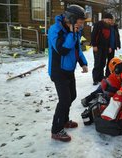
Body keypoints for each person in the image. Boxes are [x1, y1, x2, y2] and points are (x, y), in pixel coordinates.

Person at [48, 4, 88, 142]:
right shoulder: (55, 30)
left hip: (69, 69)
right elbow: (62, 49)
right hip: (58, 71)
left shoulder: (75, 30)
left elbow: (77, 49)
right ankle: (56, 130)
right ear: (71, 19)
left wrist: (83, 63)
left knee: (72, 96)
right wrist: (71, 33)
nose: (82, 25)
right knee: (64, 100)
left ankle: (64, 120)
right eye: (80, 22)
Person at [91, 13, 113, 85]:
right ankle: (95, 78)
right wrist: (94, 45)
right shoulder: (98, 24)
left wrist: (109, 46)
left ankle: (101, 77)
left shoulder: (109, 26)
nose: (110, 21)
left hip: (105, 47)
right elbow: (93, 34)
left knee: (103, 62)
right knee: (97, 63)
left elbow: (109, 37)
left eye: (111, 20)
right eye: (109, 20)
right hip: (98, 46)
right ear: (104, 19)